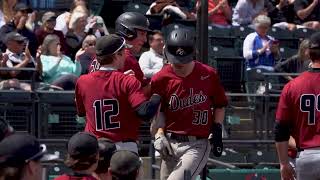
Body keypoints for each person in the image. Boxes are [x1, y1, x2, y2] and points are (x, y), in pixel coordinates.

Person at [151, 28, 228, 180]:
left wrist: (217, 128)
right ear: (166, 53)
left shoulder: (208, 74)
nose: (179, 64)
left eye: (184, 59)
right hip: (170, 143)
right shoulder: (161, 77)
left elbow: (220, 104)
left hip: (197, 144)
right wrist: (159, 133)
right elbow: (160, 111)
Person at [75, 34, 161, 153]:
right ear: (117, 55)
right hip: (123, 148)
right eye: (123, 52)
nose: (126, 55)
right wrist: (157, 95)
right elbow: (145, 113)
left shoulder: (82, 81)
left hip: (95, 149)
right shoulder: (128, 80)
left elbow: (82, 114)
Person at [275, 32, 320, 180]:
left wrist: (283, 163)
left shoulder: (292, 86)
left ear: (309, 54)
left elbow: (280, 129)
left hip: (305, 157)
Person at [90, 12, 150, 86]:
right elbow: (142, 90)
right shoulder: (125, 56)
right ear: (128, 32)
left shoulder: (102, 51)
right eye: (142, 34)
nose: (145, 40)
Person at [243, 15, 280, 94]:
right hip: (254, 69)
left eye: (265, 27)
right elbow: (246, 55)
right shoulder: (251, 37)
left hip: (270, 70)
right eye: (261, 27)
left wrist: (275, 52)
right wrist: (261, 51)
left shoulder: (271, 39)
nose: (263, 29)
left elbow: (277, 58)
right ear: (256, 27)